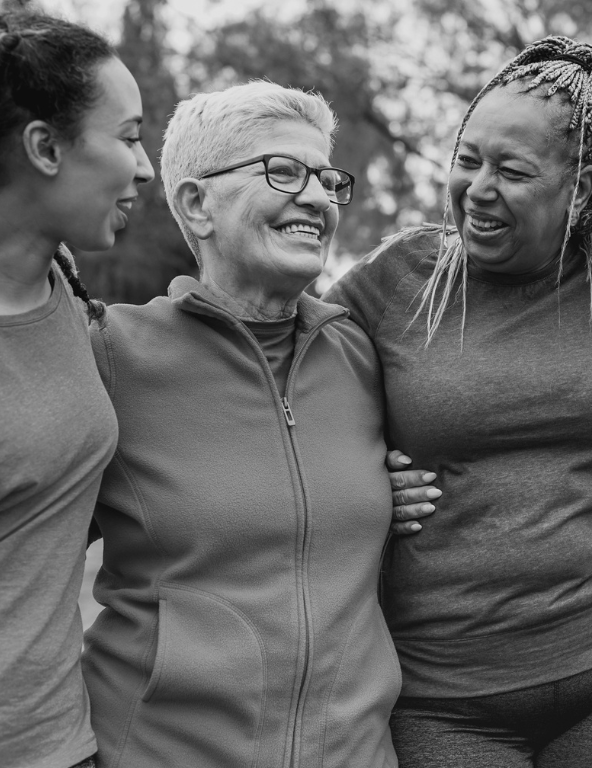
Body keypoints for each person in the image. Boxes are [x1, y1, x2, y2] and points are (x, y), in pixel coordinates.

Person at [324, 35, 592, 768]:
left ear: (582, 185)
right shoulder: (391, 282)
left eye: (512, 170)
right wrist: (362, 482)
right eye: (468, 160)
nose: (478, 188)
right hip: (444, 697)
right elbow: (278, 374)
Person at [80, 81, 402, 767]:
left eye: (326, 178)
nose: (316, 198)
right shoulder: (110, 354)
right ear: (196, 205)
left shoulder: (365, 357)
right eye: (282, 171)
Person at [0, 11, 154, 768]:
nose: (147, 166)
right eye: (128, 137)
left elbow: (54, 497)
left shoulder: (61, 282)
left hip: (67, 740)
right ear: (46, 147)